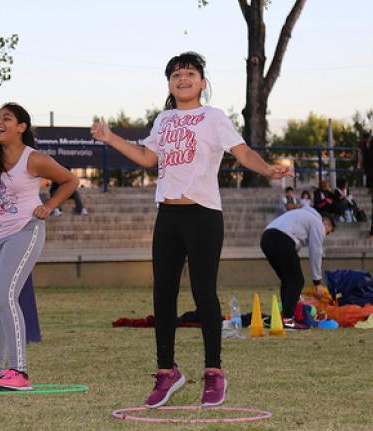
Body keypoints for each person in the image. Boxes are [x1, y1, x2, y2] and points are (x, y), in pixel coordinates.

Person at [91, 51, 290, 409]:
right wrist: (111, 138)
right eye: (176, 74)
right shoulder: (164, 119)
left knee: (203, 293)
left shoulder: (213, 118)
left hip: (203, 216)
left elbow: (242, 152)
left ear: (202, 82)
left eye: (189, 73)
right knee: (162, 295)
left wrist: (267, 170)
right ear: (169, 83)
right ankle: (167, 372)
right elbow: (148, 158)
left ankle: (214, 373)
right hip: (167, 216)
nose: (182, 79)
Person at [0, 103, 78, 392]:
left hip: (26, 230)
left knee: (4, 296)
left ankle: (20, 372)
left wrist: (49, 206)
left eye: (6, 118)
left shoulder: (34, 159)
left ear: (21, 127)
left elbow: (70, 181)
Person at [260, 207, 335, 329]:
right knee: (297, 281)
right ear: (326, 224)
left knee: (288, 280)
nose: (326, 234)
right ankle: (288, 319)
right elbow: (316, 252)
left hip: (266, 238)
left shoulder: (302, 215)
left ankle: (285, 316)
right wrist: (317, 282)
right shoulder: (318, 223)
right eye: (329, 231)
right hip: (281, 239)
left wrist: (296, 295)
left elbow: (292, 250)